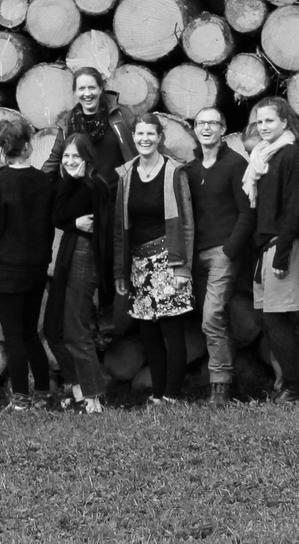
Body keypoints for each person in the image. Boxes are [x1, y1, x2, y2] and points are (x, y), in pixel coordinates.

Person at [112, 113, 197, 404]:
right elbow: (120, 227)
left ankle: (173, 394)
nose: (145, 139)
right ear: (133, 137)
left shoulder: (174, 171)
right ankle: (158, 395)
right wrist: (121, 271)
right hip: (138, 263)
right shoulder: (126, 173)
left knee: (171, 330)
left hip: (168, 259)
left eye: (151, 133)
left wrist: (183, 267)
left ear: (160, 137)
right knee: (148, 333)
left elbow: (187, 222)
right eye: (140, 134)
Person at [0, 118, 57, 408]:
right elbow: (48, 227)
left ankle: (21, 398)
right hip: (35, 269)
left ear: (2, 148)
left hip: (7, 270)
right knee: (31, 332)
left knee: (13, 336)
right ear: (28, 146)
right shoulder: (43, 182)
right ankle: (43, 393)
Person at [244, 97, 299, 402]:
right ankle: (295, 384)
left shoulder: (289, 154)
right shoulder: (262, 156)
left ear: (285, 122)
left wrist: (282, 254)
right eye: (259, 121)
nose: (263, 126)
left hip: (284, 245)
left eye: (269, 120)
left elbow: (295, 208)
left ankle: (295, 388)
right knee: (271, 320)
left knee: (278, 320)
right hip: (266, 246)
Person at [185, 105, 252, 406]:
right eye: (201, 123)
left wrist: (229, 249)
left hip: (222, 254)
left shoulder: (236, 164)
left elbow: (247, 212)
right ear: (194, 129)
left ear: (223, 129)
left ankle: (220, 387)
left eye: (213, 123)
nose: (206, 128)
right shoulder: (190, 169)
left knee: (212, 316)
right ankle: (229, 379)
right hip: (194, 256)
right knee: (213, 318)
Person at [45, 135, 112, 414]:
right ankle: (78, 390)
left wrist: (69, 217)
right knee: (53, 328)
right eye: (66, 157)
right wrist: (74, 222)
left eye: (76, 156)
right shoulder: (75, 185)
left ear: (87, 159)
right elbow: (60, 216)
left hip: (84, 256)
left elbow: (59, 214)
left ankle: (93, 398)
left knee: (76, 329)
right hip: (70, 254)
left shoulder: (91, 186)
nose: (70, 161)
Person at [44, 67, 139, 171]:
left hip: (116, 181)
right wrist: (36, 178)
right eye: (81, 89)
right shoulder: (68, 121)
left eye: (92, 88)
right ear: (75, 92)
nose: (87, 94)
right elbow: (54, 160)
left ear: (100, 89)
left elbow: (141, 150)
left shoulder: (121, 115)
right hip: (80, 181)